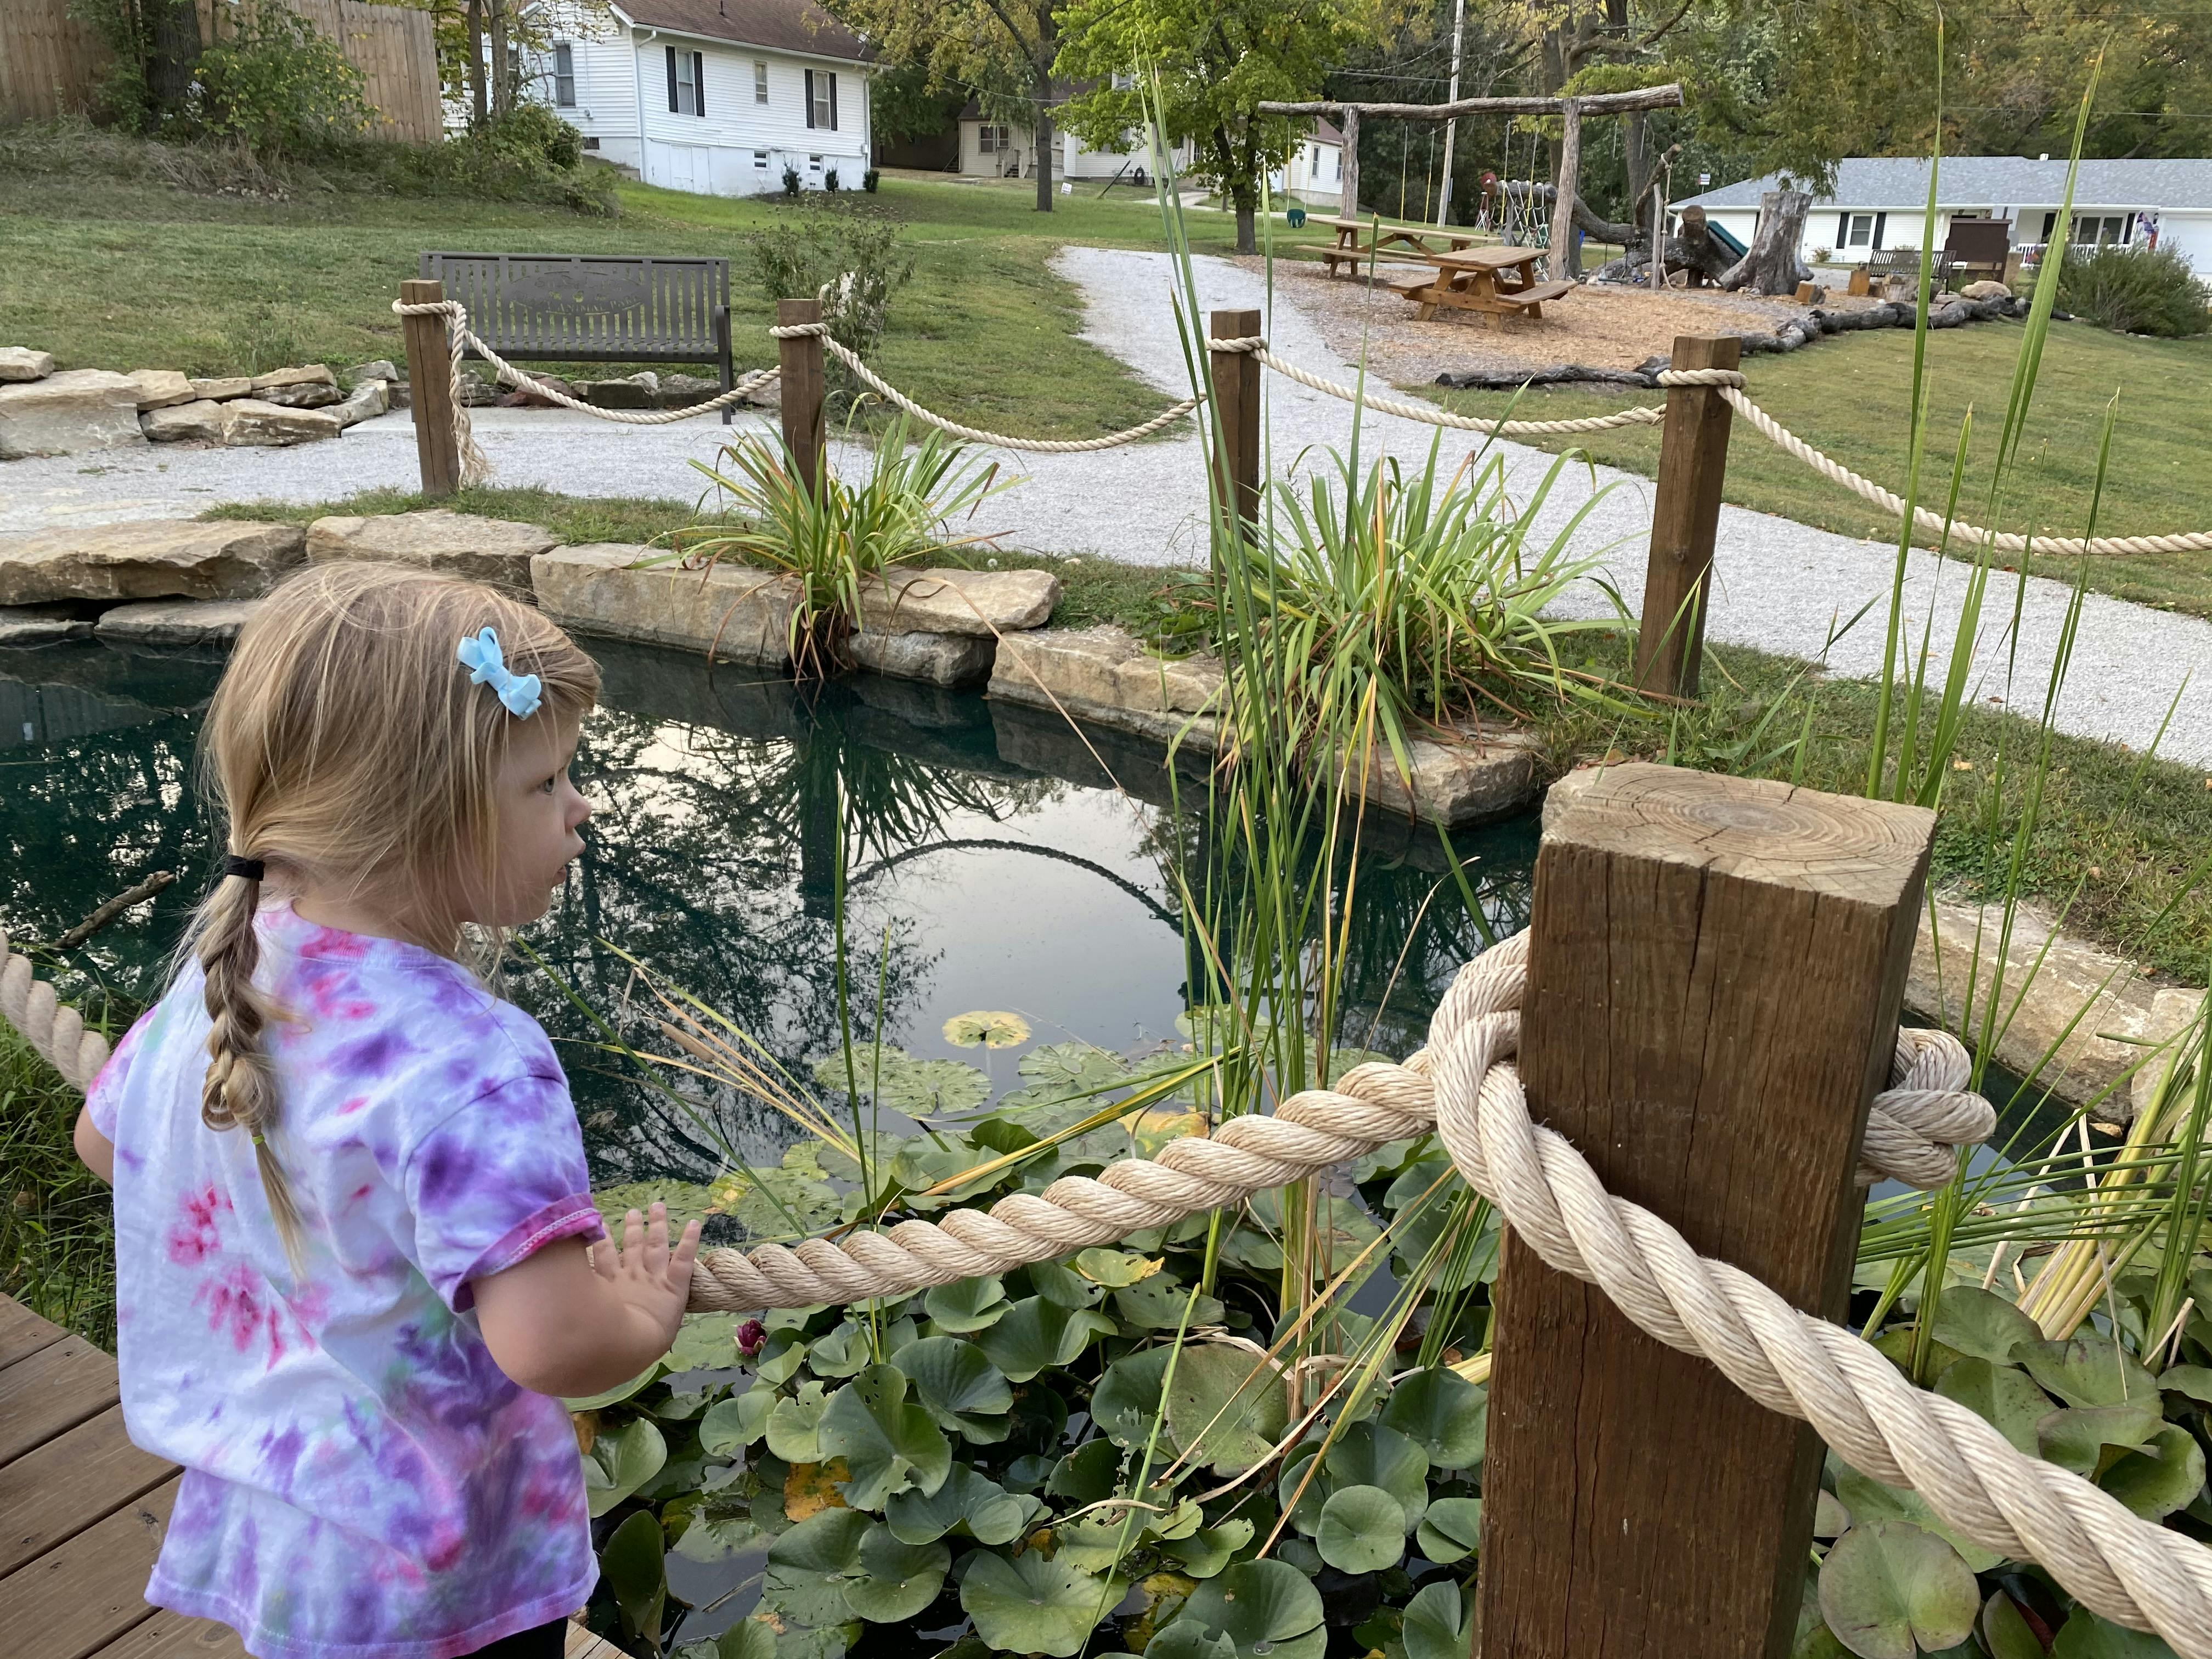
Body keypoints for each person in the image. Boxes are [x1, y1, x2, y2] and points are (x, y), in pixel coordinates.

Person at [71, 562, 702, 1659]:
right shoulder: (475, 1060)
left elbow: (101, 1142)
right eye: (546, 782)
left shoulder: (228, 974)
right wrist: (642, 1318)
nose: (582, 807)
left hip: (290, 1550)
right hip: (441, 1578)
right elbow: (551, 1341)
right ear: (424, 817)